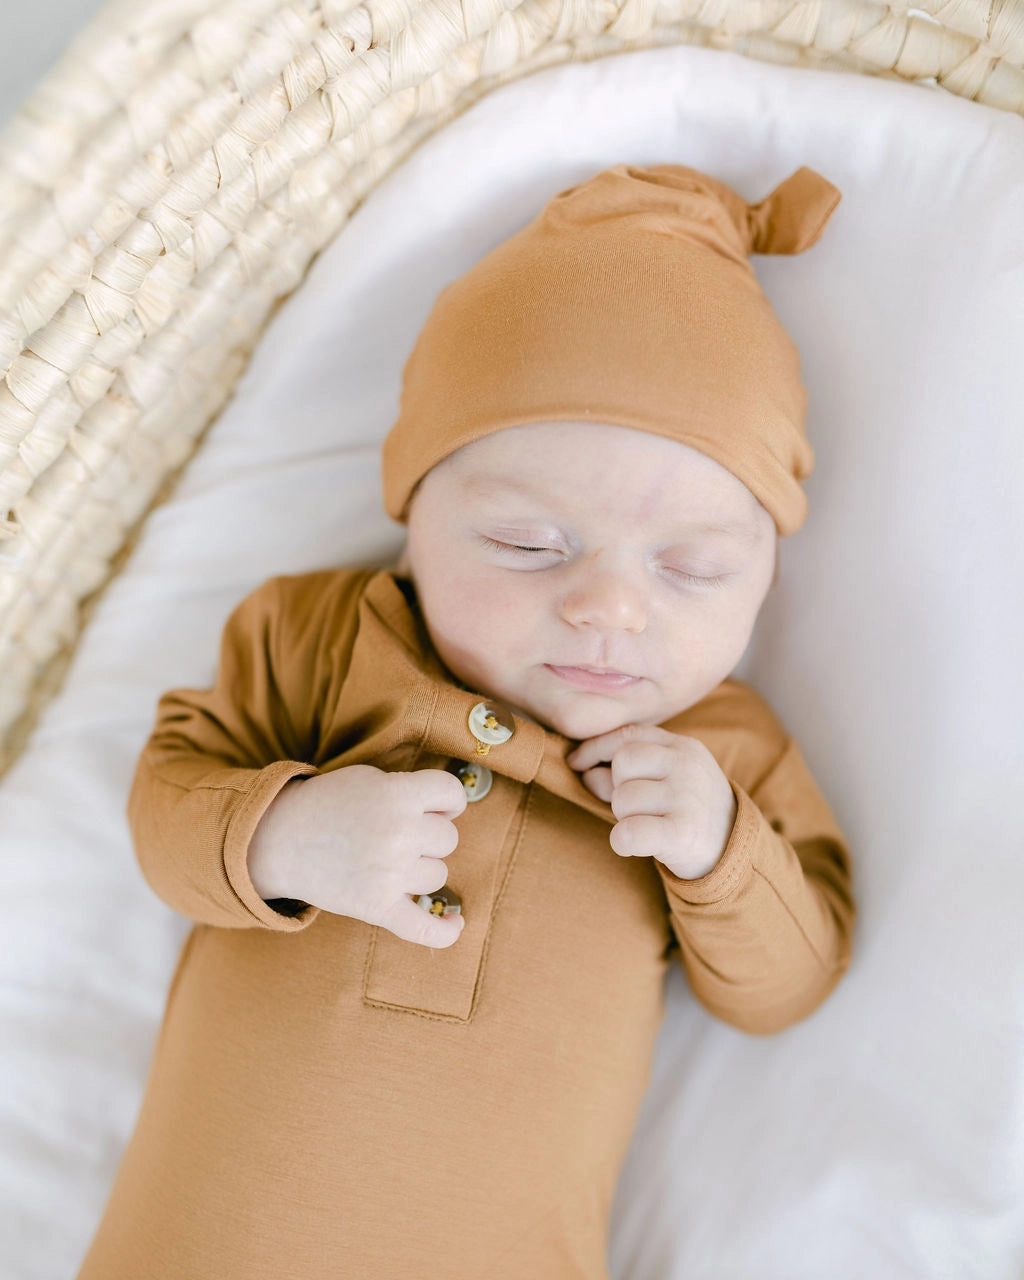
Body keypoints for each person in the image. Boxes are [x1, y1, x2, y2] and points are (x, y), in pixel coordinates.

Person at [75, 161, 856, 1279]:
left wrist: (720, 848)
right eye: (528, 545)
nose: (608, 608)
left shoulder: (717, 752)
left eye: (689, 569)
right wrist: (287, 832)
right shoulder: (325, 638)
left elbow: (792, 983)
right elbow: (165, 805)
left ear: (763, 579)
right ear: (414, 515)